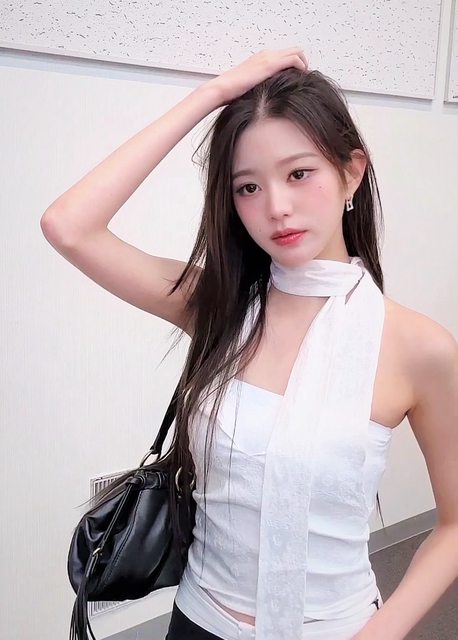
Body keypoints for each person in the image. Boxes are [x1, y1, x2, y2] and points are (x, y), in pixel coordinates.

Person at [41, 48, 458, 640]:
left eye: (299, 173)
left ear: (351, 172)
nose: (276, 208)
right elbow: (69, 226)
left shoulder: (419, 347)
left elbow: (454, 525)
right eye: (248, 187)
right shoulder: (217, 306)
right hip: (198, 622)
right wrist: (213, 93)